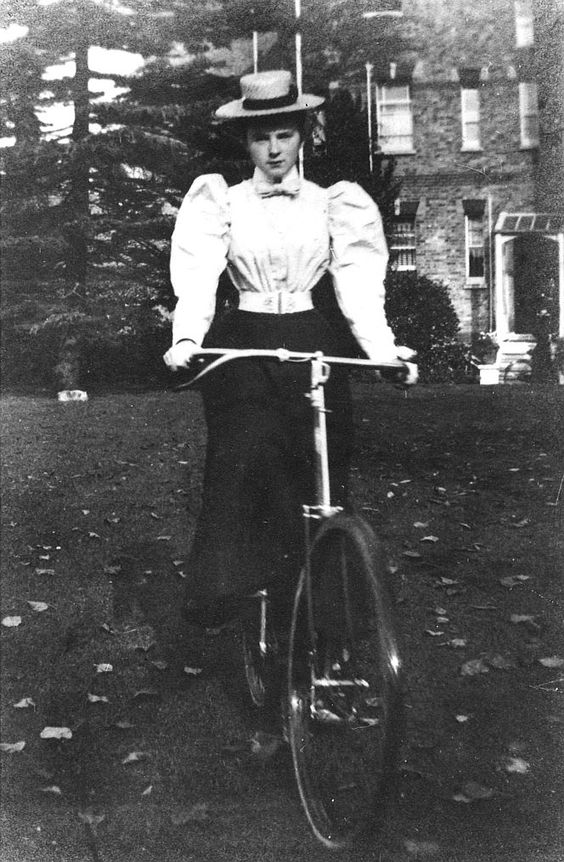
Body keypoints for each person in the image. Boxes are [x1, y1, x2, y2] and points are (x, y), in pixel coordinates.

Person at [164, 70, 416, 627]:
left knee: (323, 471)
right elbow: (199, 277)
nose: (274, 148)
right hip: (245, 345)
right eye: (261, 137)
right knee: (244, 460)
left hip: (310, 337)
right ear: (245, 142)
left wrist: (383, 351)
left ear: (303, 134)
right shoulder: (221, 202)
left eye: (284, 134)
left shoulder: (335, 203)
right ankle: (241, 594)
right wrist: (187, 339)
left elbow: (357, 285)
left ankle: (327, 615)